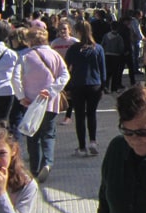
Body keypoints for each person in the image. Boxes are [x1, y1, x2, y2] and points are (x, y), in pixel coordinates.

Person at [12, 26, 69, 182]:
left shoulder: (24, 56)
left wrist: (21, 96)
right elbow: (65, 75)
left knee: (33, 136)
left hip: (31, 102)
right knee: (49, 134)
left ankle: (35, 169)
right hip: (50, 102)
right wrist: (51, 90)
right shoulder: (55, 55)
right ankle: (48, 162)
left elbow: (15, 78)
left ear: (29, 40)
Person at [66, 19, 107, 156]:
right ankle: (93, 141)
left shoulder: (73, 49)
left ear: (78, 32)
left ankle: (82, 147)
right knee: (91, 114)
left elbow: (67, 68)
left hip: (78, 84)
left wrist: (67, 87)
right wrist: (103, 86)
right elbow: (103, 70)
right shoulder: (98, 48)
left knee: (79, 115)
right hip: (94, 84)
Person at [50, 20, 79, 124]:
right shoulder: (54, 43)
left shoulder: (75, 42)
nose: (62, 31)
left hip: (71, 72)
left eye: (65, 29)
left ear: (69, 30)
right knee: (58, 92)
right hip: (58, 72)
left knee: (69, 94)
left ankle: (68, 116)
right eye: (60, 29)